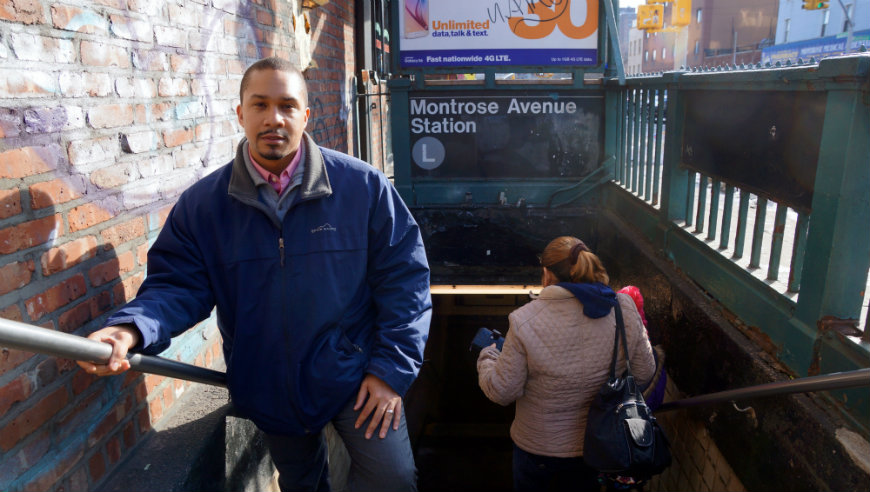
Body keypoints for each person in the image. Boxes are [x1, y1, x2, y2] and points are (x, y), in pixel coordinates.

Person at [77, 57, 432, 492]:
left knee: (392, 479)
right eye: (260, 105)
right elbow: (177, 286)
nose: (273, 119)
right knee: (302, 484)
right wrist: (129, 330)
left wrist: (389, 372)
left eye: (286, 106)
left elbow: (406, 282)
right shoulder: (203, 206)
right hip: (268, 385)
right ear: (241, 113)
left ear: (306, 114)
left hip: (357, 376)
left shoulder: (364, 188)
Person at [476, 236, 655, 492]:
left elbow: (503, 391)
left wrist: (488, 357)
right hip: (600, 449)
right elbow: (644, 372)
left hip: (538, 451)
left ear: (546, 274)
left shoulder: (524, 320)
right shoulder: (623, 308)